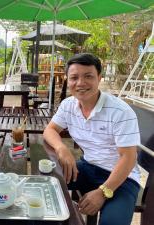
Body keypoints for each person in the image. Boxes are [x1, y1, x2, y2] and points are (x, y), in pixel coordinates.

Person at [43, 53, 140, 225]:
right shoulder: (68, 105)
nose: (80, 83)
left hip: (122, 177)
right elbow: (50, 130)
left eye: (88, 76)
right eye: (74, 77)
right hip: (87, 167)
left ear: (99, 78)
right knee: (45, 186)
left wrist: (102, 192)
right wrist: (61, 148)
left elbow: (128, 158)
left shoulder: (120, 112)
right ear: (68, 79)